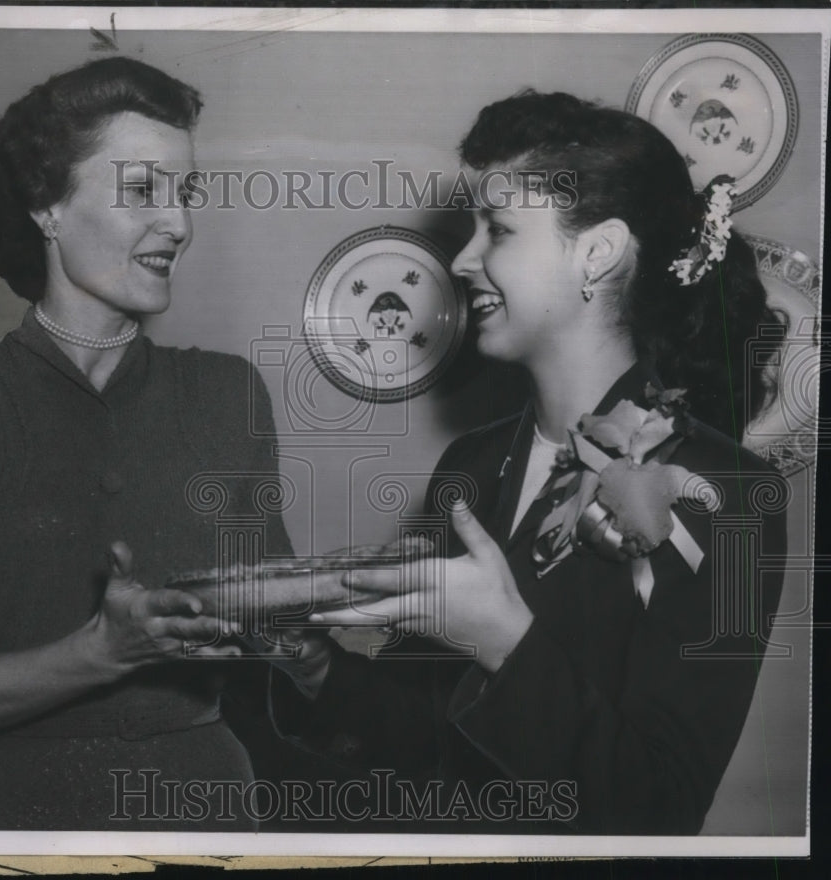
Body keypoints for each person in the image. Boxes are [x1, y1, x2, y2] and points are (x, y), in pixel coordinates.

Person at [269, 91, 788, 835]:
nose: (462, 259)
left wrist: (504, 642)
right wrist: (311, 665)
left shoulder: (731, 494)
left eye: (499, 230)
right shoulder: (470, 465)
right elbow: (427, 742)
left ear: (598, 253)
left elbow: (659, 808)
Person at [0, 57, 294, 830]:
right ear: (47, 207)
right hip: (22, 812)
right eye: (143, 190)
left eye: (185, 193)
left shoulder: (229, 393)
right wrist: (101, 653)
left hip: (208, 805)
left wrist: (337, 607)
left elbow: (273, 631)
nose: (180, 223)